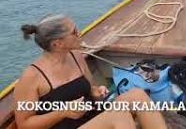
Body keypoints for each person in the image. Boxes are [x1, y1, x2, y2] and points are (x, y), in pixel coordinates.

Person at [14, 14, 167, 129]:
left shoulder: (76, 56)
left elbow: (91, 89)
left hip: (92, 119)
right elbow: (24, 124)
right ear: (57, 43)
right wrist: (63, 112)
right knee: (118, 115)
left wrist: (96, 92)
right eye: (74, 32)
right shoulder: (32, 76)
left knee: (137, 96)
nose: (79, 33)